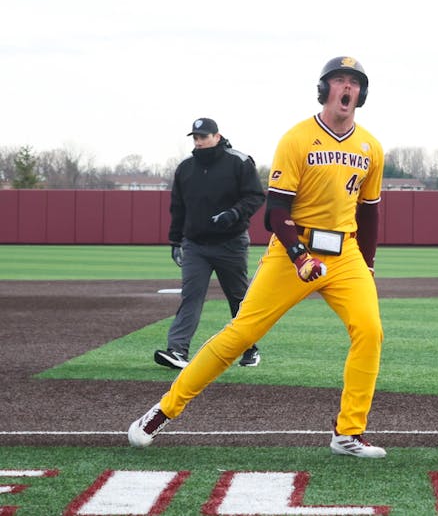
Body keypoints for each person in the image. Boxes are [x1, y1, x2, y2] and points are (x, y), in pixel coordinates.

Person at [129, 56, 387, 458]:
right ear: (324, 90)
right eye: (339, 80)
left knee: (370, 331)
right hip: (294, 250)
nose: (347, 87)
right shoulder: (297, 139)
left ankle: (348, 433)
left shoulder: (371, 146)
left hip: (345, 253)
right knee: (242, 333)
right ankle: (163, 410)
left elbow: (369, 212)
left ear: (362, 93)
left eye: (354, 81)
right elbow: (276, 212)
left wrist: (367, 265)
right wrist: (299, 257)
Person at [154, 117, 266, 370]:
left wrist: (233, 214)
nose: (199, 141)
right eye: (195, 137)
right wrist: (175, 240)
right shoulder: (185, 167)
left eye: (203, 137)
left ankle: (250, 348)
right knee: (191, 296)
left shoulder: (239, 161)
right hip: (195, 245)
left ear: (217, 136)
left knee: (238, 298)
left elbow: (255, 196)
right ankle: (177, 350)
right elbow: (178, 207)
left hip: (231, 243)